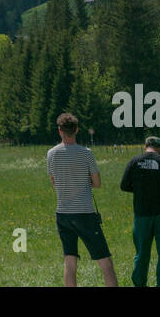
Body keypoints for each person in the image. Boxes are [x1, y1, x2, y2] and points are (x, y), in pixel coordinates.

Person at [47, 112, 118, 287]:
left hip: (62, 214)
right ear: (77, 130)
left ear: (59, 131)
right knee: (105, 262)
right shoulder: (86, 153)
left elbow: (54, 182)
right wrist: (83, 180)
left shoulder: (51, 154)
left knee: (70, 262)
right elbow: (97, 182)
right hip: (85, 213)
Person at [120, 136, 160, 287]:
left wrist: (140, 190)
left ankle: (139, 284)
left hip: (142, 215)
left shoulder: (135, 162)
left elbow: (123, 185)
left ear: (145, 146)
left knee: (141, 254)